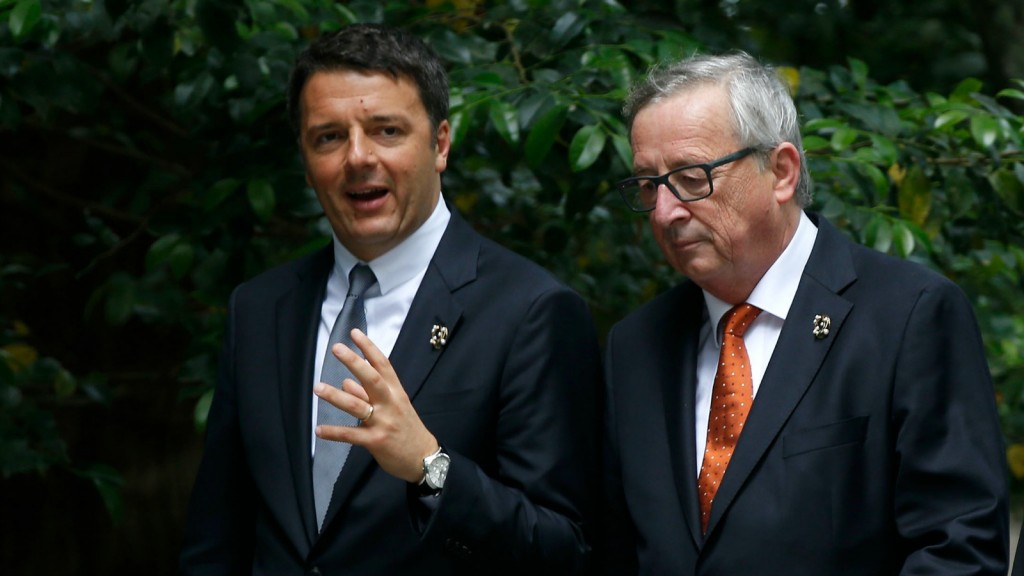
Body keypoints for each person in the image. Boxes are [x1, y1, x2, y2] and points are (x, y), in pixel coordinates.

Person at [179, 23, 600, 575]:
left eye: (387, 130)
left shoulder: (531, 311)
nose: (358, 157)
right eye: (329, 137)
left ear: (440, 144)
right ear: (305, 160)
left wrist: (431, 467)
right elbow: (217, 538)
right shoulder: (259, 309)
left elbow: (566, 550)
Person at [600, 51, 1008, 574]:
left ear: (781, 172)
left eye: (693, 178)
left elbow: (959, 552)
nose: (665, 212)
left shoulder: (908, 316)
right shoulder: (636, 345)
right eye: (648, 184)